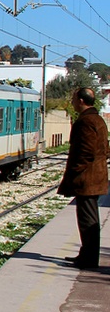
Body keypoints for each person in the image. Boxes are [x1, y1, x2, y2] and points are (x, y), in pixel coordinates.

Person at [58, 86, 109, 269]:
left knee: (87, 220)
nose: (72, 102)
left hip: (87, 179)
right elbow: (105, 149)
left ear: (81, 101)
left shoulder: (86, 121)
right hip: (95, 176)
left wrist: (75, 171)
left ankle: (88, 259)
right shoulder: (98, 120)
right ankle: (86, 255)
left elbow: (87, 151)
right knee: (89, 218)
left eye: (73, 99)